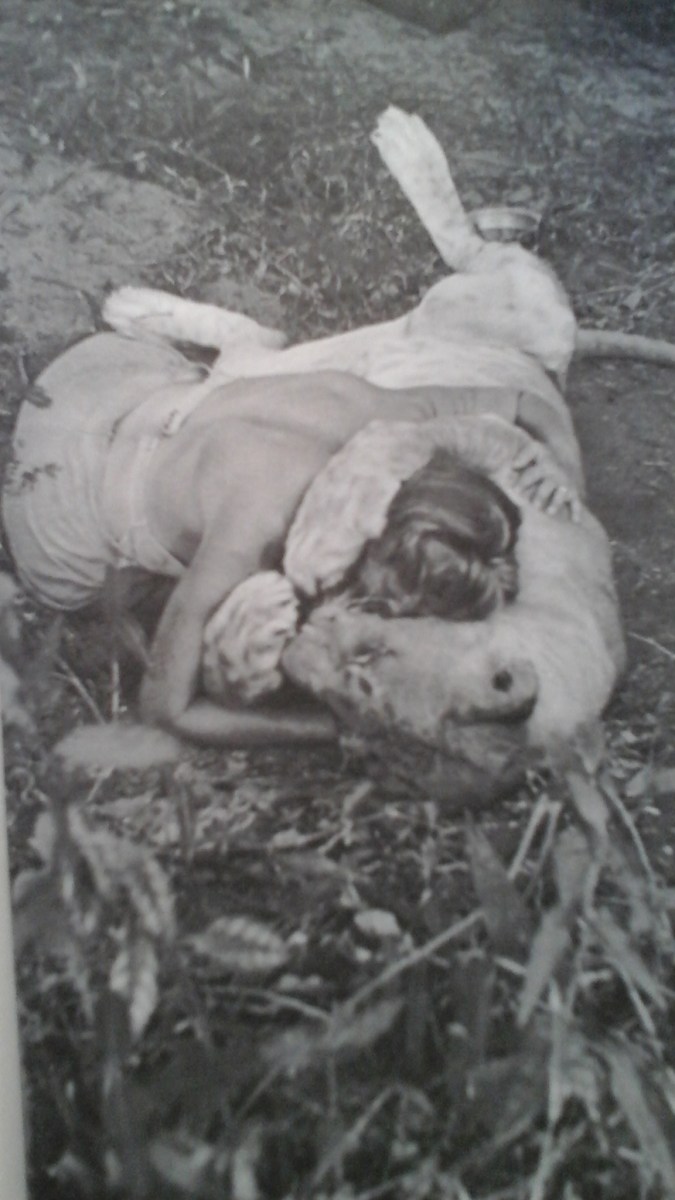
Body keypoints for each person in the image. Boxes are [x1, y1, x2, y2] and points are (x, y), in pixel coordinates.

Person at [1, 330, 572, 745]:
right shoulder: (260, 524)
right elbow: (165, 707)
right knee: (240, 631)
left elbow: (527, 406)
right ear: (375, 539)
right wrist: (333, 728)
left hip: (109, 372)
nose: (387, 613)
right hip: (57, 500)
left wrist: (563, 473)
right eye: (393, 601)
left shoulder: (380, 415)